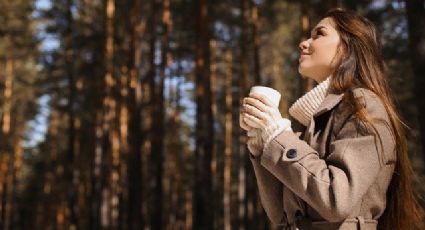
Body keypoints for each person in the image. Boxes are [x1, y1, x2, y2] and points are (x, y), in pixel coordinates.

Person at [240, 8, 424, 230]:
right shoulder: (309, 121)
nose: (304, 43)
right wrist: (263, 143)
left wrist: (278, 137)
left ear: (348, 47)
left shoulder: (363, 105)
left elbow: (336, 200)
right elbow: (280, 215)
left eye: (319, 34)